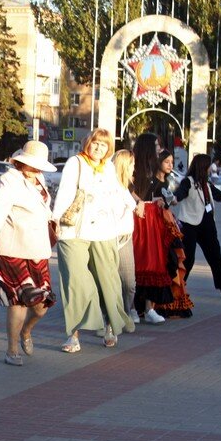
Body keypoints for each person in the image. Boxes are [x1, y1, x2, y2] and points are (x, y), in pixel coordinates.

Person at [51, 128, 133, 353]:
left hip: (104, 230)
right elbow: (65, 192)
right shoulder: (75, 163)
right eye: (95, 143)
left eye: (103, 145)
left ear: (109, 148)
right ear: (88, 143)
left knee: (108, 281)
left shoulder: (108, 167)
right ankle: (73, 335)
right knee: (75, 281)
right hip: (74, 230)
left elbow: (119, 191)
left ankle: (110, 326)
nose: (98, 148)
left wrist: (133, 205)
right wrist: (56, 219)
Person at [0, 140, 57, 366]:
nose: (35, 168)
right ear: (20, 161)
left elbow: (44, 210)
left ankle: (26, 331)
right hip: (12, 249)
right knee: (19, 301)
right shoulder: (9, 179)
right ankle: (12, 349)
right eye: (31, 164)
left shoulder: (40, 180)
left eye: (39, 165)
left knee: (41, 306)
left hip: (38, 250)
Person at [172, 154, 221, 297]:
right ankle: (177, 288)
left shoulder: (206, 183)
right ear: (203, 167)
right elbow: (180, 193)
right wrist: (174, 198)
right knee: (188, 259)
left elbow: (217, 194)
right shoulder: (188, 182)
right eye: (209, 166)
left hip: (207, 224)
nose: (211, 168)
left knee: (215, 256)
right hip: (189, 225)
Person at [130, 134, 172, 324]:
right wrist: (139, 201)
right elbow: (126, 187)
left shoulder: (151, 167)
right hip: (136, 217)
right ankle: (132, 308)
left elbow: (149, 194)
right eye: (155, 145)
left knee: (153, 263)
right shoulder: (132, 164)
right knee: (136, 264)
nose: (158, 148)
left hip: (151, 217)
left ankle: (149, 308)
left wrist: (156, 200)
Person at [149, 149, 194, 318]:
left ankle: (168, 303)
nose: (170, 165)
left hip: (167, 223)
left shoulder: (167, 181)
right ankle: (155, 304)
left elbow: (168, 201)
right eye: (166, 162)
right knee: (166, 262)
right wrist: (160, 202)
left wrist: (169, 201)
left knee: (172, 261)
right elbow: (149, 202)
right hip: (156, 224)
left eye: (172, 162)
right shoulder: (153, 182)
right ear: (158, 162)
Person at [110, 150, 139, 326]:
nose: (134, 168)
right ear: (124, 166)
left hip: (125, 238)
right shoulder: (109, 185)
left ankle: (124, 312)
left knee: (129, 284)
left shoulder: (125, 186)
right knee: (110, 282)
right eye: (132, 164)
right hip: (109, 238)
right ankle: (110, 319)